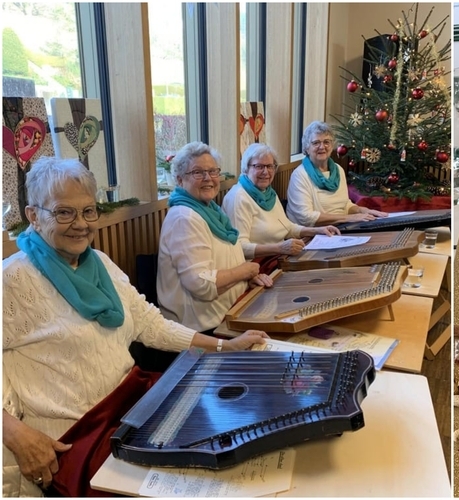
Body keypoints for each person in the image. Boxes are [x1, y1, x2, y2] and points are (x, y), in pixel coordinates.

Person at [2, 158, 267, 496]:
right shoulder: (12, 280)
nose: (81, 224)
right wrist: (14, 433)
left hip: (132, 412)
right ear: (33, 215)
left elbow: (150, 324)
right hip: (75, 441)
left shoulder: (100, 263)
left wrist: (224, 346)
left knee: (234, 443)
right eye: (64, 213)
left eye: (88, 211)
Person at [157, 141, 273, 333]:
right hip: (201, 329)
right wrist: (244, 272)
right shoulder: (184, 218)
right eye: (198, 172)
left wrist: (244, 282)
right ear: (179, 179)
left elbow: (220, 266)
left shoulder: (210, 209)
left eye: (213, 171)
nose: (208, 178)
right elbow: (201, 284)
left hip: (230, 311)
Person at [222, 143, 340, 261]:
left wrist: (318, 230)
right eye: (259, 166)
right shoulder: (238, 197)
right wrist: (280, 248)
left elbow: (287, 227)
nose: (266, 172)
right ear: (246, 169)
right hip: (258, 264)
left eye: (270, 166)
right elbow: (239, 247)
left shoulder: (268, 193)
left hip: (279, 257)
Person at [286, 121, 389, 226]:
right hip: (313, 232)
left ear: (332, 146)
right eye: (316, 143)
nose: (322, 147)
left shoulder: (338, 170)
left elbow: (345, 206)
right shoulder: (300, 175)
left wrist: (363, 211)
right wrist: (349, 218)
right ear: (307, 148)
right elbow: (306, 217)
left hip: (340, 227)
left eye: (326, 142)